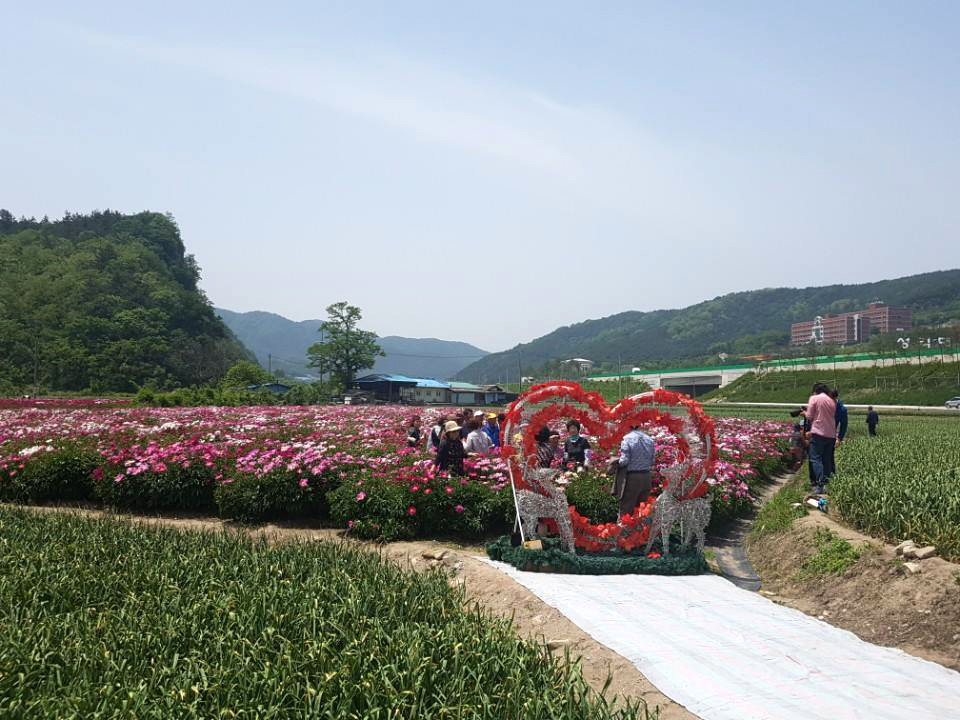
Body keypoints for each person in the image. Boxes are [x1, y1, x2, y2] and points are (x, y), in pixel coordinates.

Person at [610, 425, 656, 518]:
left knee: (626, 510)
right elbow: (653, 460)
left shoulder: (627, 439)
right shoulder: (649, 439)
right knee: (641, 511)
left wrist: (613, 461)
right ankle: (639, 531)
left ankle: (624, 532)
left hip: (632, 478)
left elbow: (624, 461)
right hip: (646, 477)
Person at [805, 383, 837, 494]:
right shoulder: (831, 401)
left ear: (815, 391)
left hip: (818, 433)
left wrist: (804, 413)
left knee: (815, 459)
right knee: (827, 459)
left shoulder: (814, 398)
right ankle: (827, 484)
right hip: (831, 434)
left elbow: (809, 416)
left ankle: (820, 484)